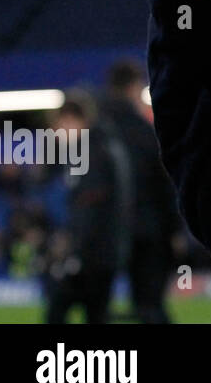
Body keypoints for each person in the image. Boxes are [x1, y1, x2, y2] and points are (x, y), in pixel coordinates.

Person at [99, 60, 182, 323]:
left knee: (100, 306)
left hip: (106, 231)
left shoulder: (96, 131)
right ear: (134, 87)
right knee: (150, 303)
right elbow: (164, 184)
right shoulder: (144, 130)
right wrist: (175, 230)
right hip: (148, 229)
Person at [44, 95, 127, 324]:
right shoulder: (99, 148)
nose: (57, 131)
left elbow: (89, 208)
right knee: (94, 314)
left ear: (75, 120)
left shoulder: (90, 155)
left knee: (59, 310)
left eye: (61, 124)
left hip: (91, 255)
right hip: (99, 252)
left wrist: (73, 250)